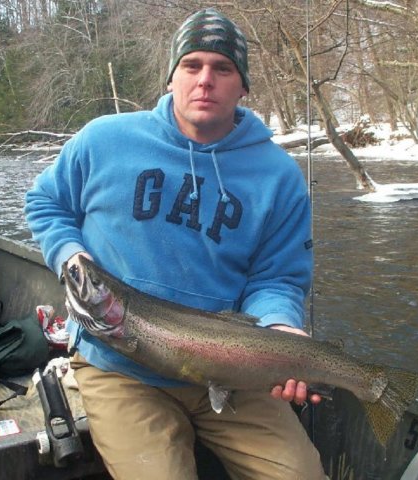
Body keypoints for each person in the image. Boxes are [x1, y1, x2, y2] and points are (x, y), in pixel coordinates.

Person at [25, 7, 326, 480]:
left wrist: (280, 327)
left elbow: (278, 278)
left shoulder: (280, 177)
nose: (205, 80)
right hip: (120, 366)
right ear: (171, 79)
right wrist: (70, 254)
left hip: (230, 365)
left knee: (301, 475)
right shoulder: (103, 140)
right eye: (192, 65)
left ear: (243, 85)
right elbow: (46, 203)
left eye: (222, 68)